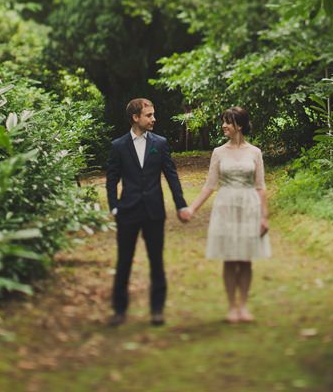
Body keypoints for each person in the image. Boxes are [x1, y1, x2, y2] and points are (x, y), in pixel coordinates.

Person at [105, 98, 190, 327]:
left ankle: (157, 311)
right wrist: (114, 205)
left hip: (154, 211)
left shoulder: (160, 143)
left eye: (153, 115)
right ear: (135, 118)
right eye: (149, 115)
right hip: (128, 212)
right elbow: (111, 179)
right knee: (124, 262)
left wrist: (181, 204)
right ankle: (119, 310)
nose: (154, 119)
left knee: (156, 261)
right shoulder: (118, 146)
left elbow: (171, 175)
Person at [184, 107, 271, 323]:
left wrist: (264, 216)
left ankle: (243, 306)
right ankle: (232, 306)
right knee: (230, 259)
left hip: (249, 205)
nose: (224, 125)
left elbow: (260, 186)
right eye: (223, 121)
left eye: (228, 122)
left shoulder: (255, 152)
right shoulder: (218, 152)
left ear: (239, 125)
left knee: (246, 258)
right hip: (226, 206)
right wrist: (192, 208)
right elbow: (210, 185)